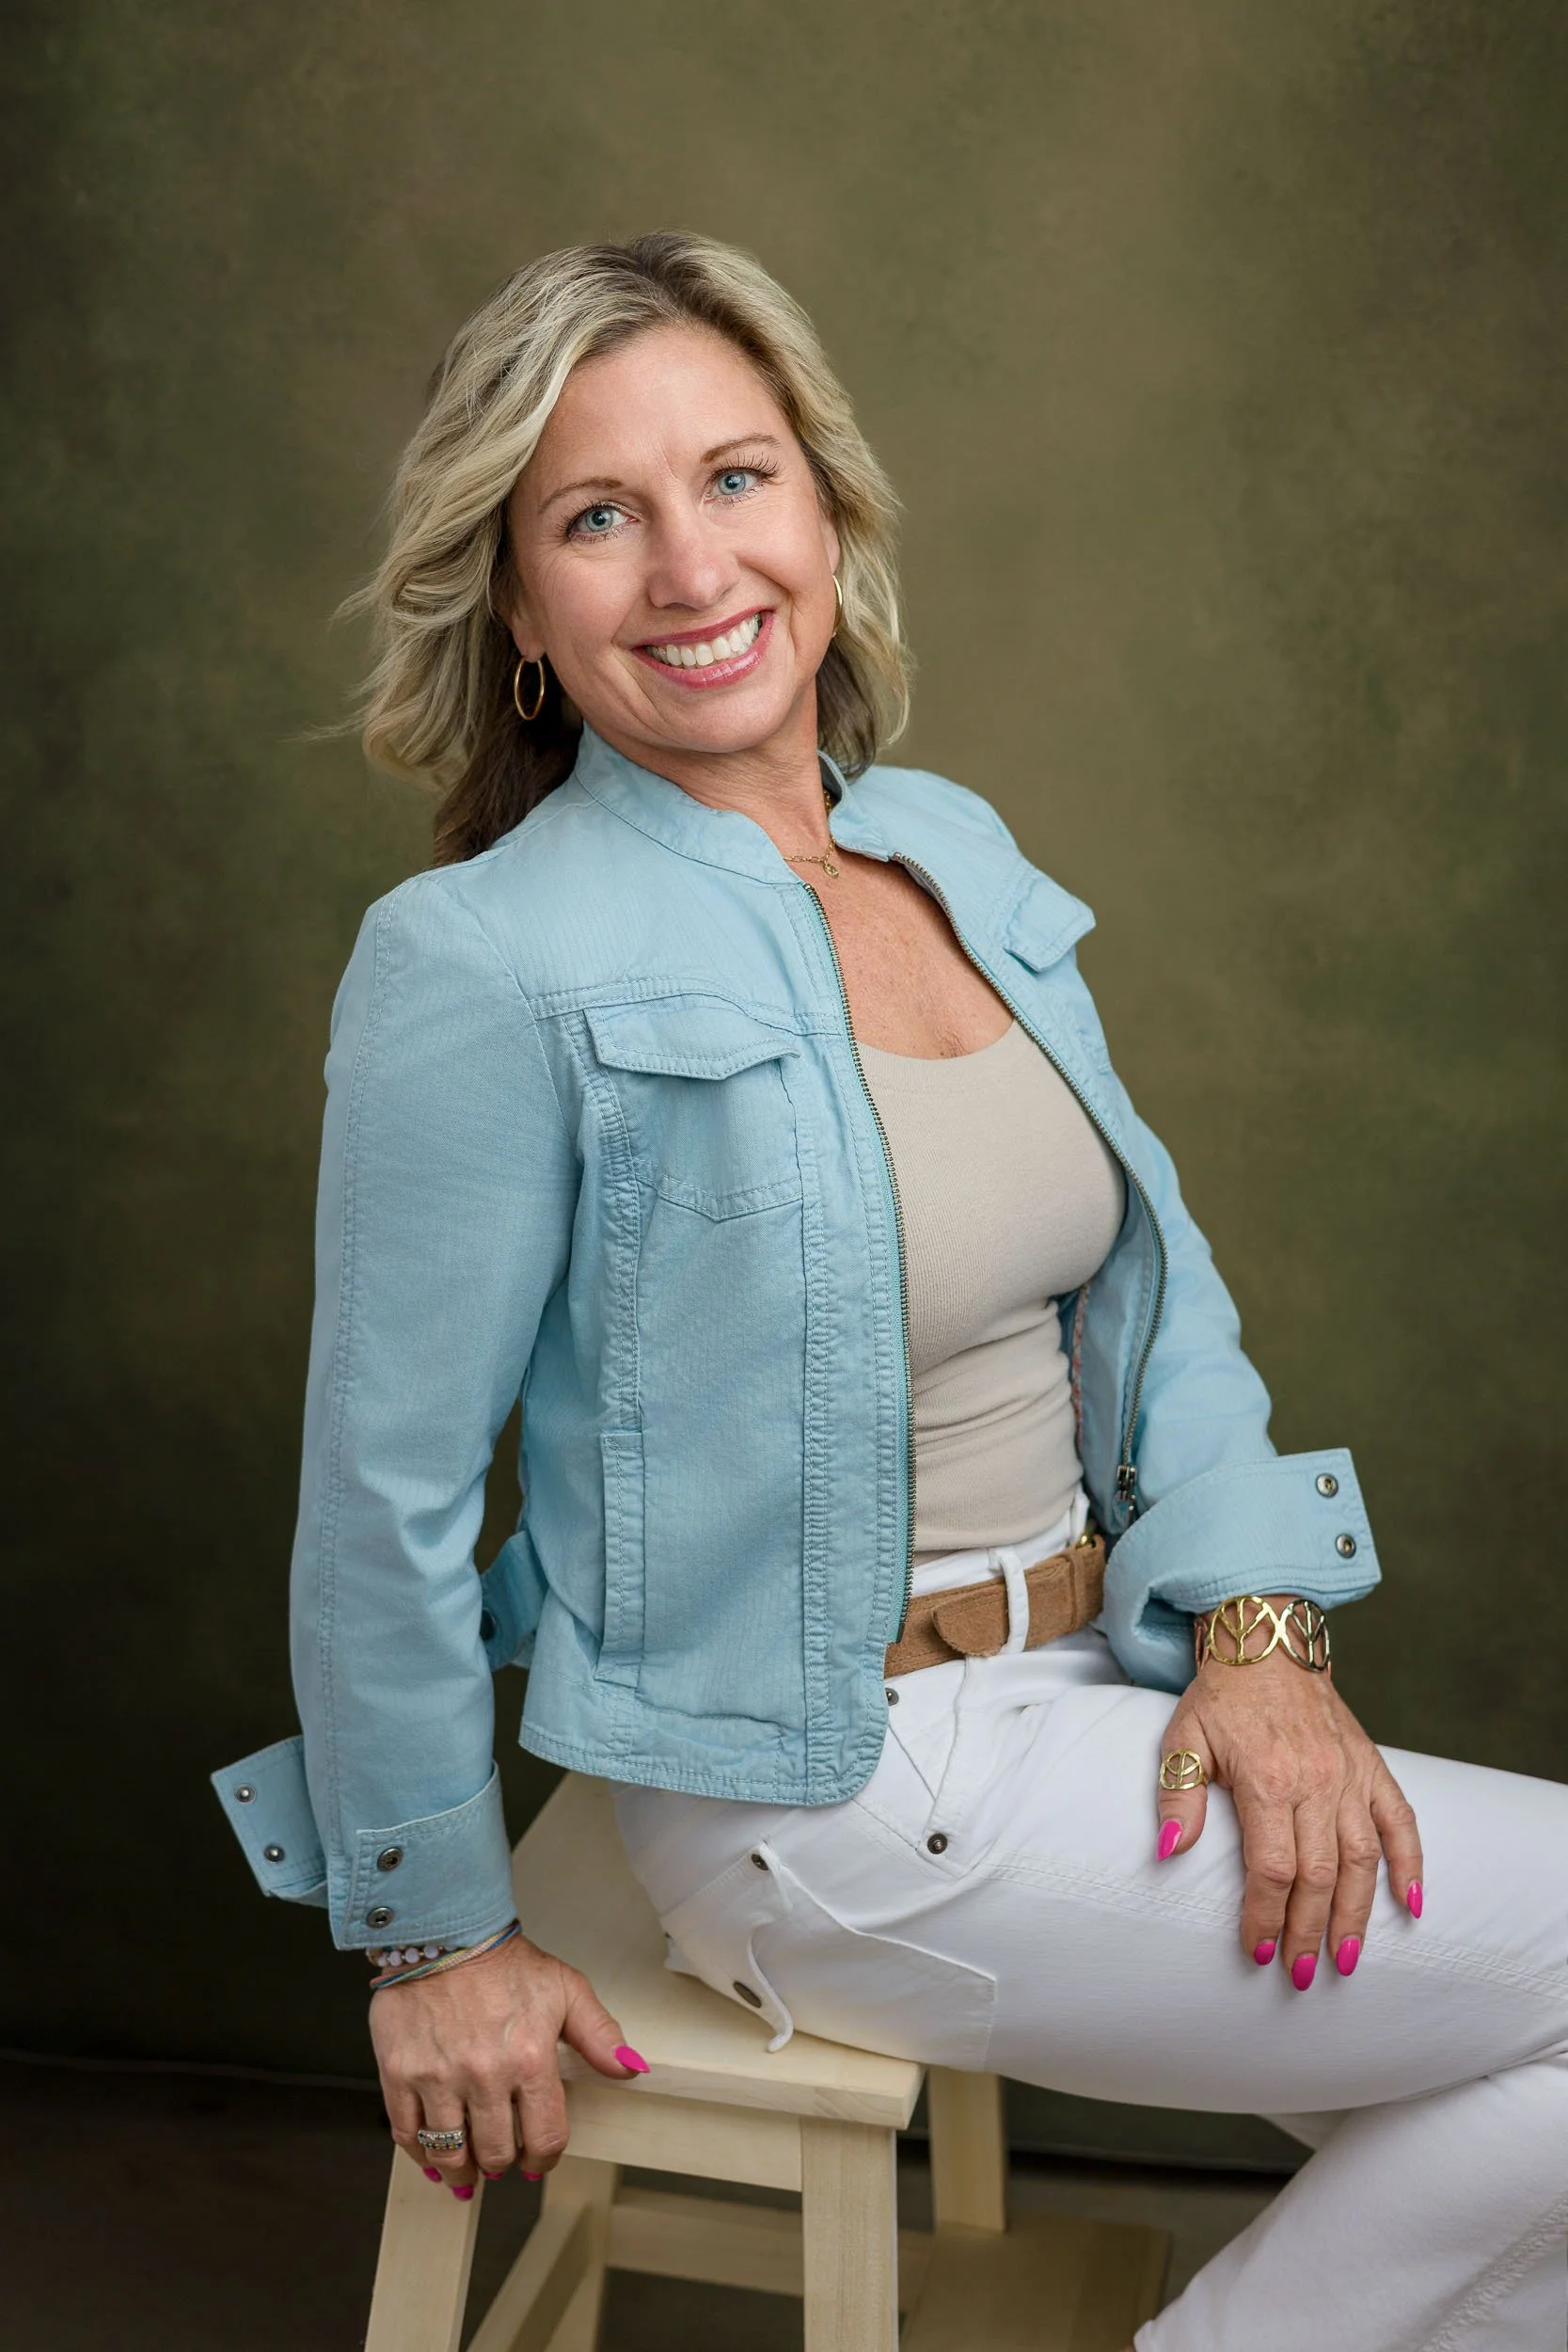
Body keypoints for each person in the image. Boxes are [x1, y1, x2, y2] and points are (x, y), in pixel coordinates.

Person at [214, 233, 1567, 2348]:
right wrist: (429, 1938)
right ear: (521, 612)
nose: (690, 564)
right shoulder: (478, 964)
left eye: (735, 478)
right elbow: (373, 1504)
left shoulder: (938, 846)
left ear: (825, 513)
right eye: (597, 515)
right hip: (831, 1790)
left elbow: (1154, 1283)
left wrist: (1256, 1626)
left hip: (1103, 1674)